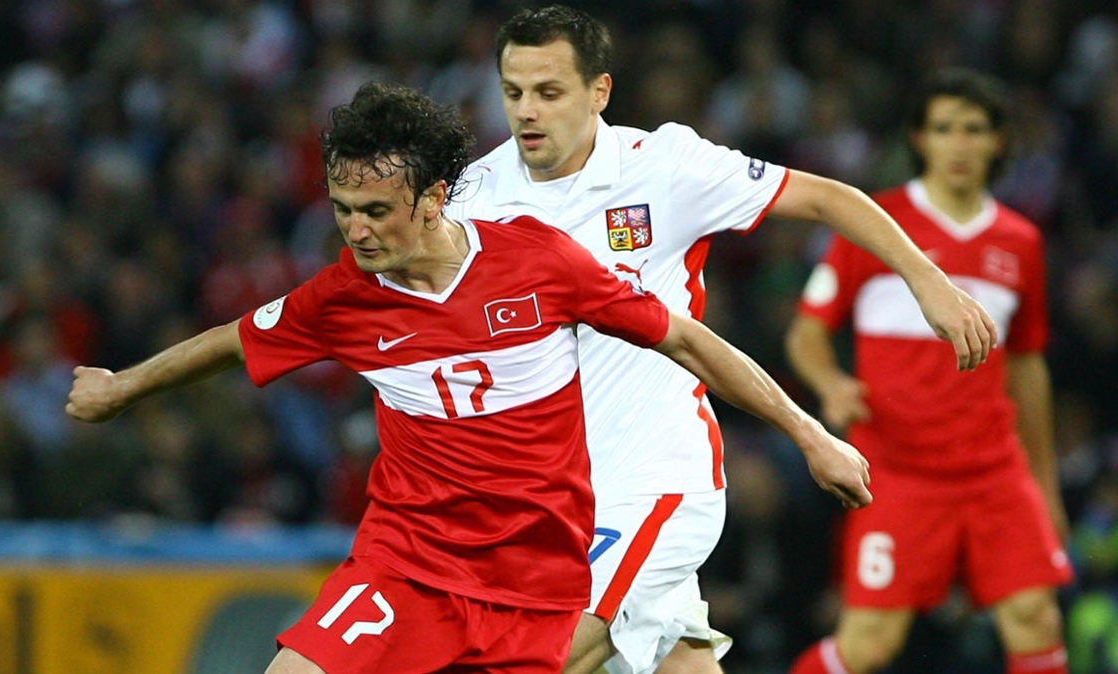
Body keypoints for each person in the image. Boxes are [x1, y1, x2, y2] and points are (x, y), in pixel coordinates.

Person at [66, 81, 873, 674]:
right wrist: (122, 387)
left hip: (533, 581)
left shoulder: (538, 263)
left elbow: (689, 342)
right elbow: (233, 342)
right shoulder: (342, 297)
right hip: (406, 564)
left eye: (376, 211)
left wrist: (810, 436)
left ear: (434, 198)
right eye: (343, 208)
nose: (355, 231)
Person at [442, 6, 998, 674]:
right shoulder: (471, 201)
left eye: (549, 92)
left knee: (540, 660)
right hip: (549, 502)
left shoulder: (664, 166)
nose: (527, 111)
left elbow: (828, 199)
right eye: (513, 92)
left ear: (599, 92)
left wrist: (928, 281)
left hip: (656, 481)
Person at [785, 68, 1073, 674]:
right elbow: (806, 334)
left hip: (994, 469)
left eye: (974, 129)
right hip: (897, 470)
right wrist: (831, 384)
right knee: (870, 643)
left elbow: (1027, 367)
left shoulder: (1020, 241)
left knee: (1036, 618)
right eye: (944, 129)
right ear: (920, 139)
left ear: (999, 141)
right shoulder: (874, 225)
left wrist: (1044, 486)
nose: (959, 144)